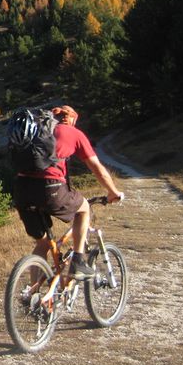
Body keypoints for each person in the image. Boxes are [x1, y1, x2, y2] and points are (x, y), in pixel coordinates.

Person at [13, 105, 124, 280]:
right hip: (50, 188)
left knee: (42, 244)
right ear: (72, 119)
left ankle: (33, 297)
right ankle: (78, 263)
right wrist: (113, 192)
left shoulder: (36, 131)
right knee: (84, 208)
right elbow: (97, 168)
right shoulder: (75, 133)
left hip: (21, 189)